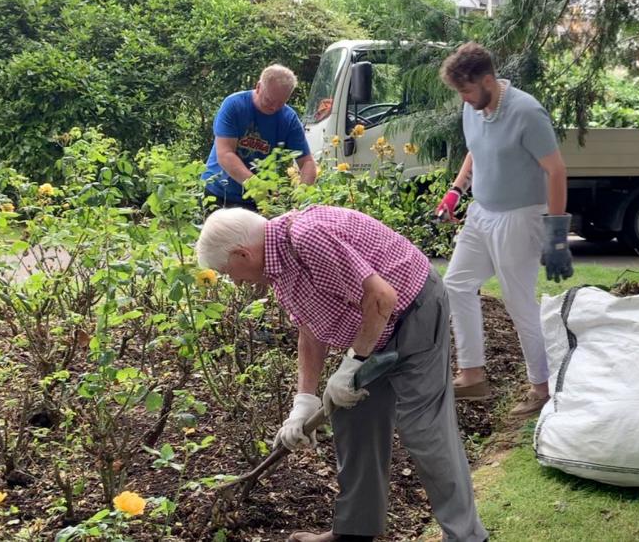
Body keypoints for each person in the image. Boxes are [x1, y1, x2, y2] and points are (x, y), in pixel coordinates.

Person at [195, 206, 487, 542]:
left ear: (241, 253)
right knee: (352, 416)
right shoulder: (279, 266)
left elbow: (382, 297)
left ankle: (467, 536)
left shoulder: (307, 237)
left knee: (424, 430)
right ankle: (353, 533)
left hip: (413, 310)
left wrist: (352, 364)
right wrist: (303, 402)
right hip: (375, 325)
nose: (235, 281)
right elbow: (310, 329)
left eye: (229, 271)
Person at [435, 43, 574, 419]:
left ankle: (541, 388)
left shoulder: (526, 112)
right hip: (481, 212)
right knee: (457, 284)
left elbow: (556, 170)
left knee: (518, 301)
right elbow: (476, 150)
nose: (462, 98)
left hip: (520, 216)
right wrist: (455, 190)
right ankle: (473, 374)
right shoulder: (473, 106)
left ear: (487, 80)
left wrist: (556, 233)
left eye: (465, 90)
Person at [201, 64, 317, 210]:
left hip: (258, 202)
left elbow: (307, 162)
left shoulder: (289, 119)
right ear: (258, 87)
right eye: (269, 100)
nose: (274, 107)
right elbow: (225, 154)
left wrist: (302, 194)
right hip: (219, 192)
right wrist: (255, 185)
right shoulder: (234, 105)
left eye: (280, 103)